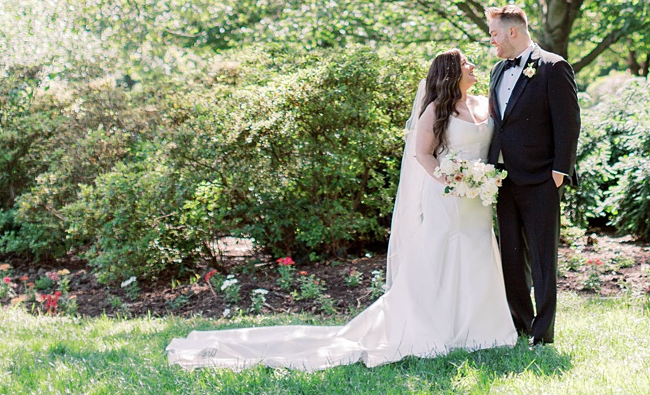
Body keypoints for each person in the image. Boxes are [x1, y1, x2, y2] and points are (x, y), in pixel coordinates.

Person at [166, 50, 517, 371]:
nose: (474, 66)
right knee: (443, 254)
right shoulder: (435, 111)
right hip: (447, 196)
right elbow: (422, 154)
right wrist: (450, 179)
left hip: (479, 198)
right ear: (451, 73)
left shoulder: (486, 105)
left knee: (477, 250)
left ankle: (482, 327)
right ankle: (436, 324)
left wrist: (483, 178)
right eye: (467, 63)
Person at [484, 5, 580, 346]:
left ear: (512, 32)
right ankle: (520, 325)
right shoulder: (497, 70)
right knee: (511, 257)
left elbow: (568, 124)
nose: (491, 40)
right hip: (503, 179)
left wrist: (559, 172)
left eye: (494, 33)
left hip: (541, 178)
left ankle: (544, 332)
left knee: (542, 258)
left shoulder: (554, 67)